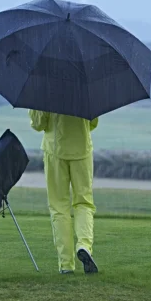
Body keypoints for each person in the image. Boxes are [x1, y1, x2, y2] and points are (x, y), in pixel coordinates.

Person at [28, 109, 99, 274]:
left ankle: (66, 264)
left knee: (59, 207)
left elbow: (39, 124)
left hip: (55, 150)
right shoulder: (84, 85)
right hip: (82, 149)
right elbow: (93, 122)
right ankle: (84, 245)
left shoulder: (47, 86)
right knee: (84, 203)